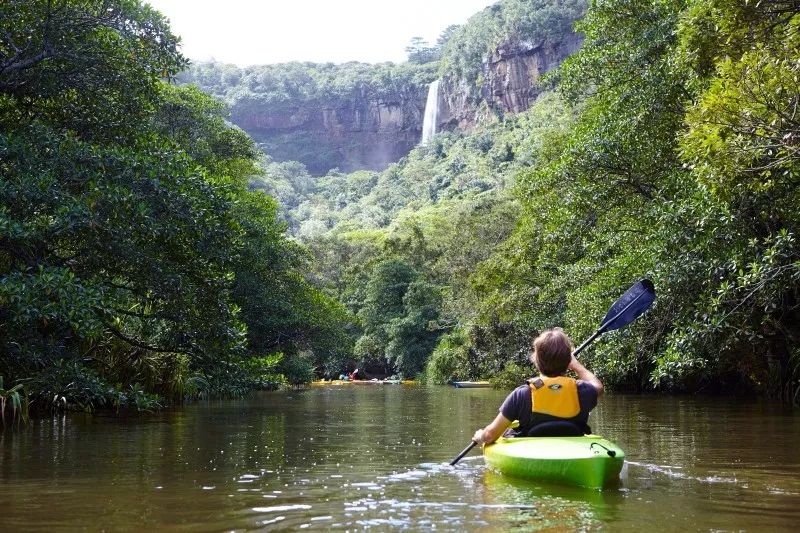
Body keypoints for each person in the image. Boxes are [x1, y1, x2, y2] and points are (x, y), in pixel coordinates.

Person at [472, 328, 604, 445]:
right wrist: (576, 365)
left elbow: (490, 435)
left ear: (536, 360)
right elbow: (598, 386)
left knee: (508, 432)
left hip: (531, 456)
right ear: (568, 361)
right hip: (573, 450)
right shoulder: (582, 390)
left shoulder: (522, 394)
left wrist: (481, 436)